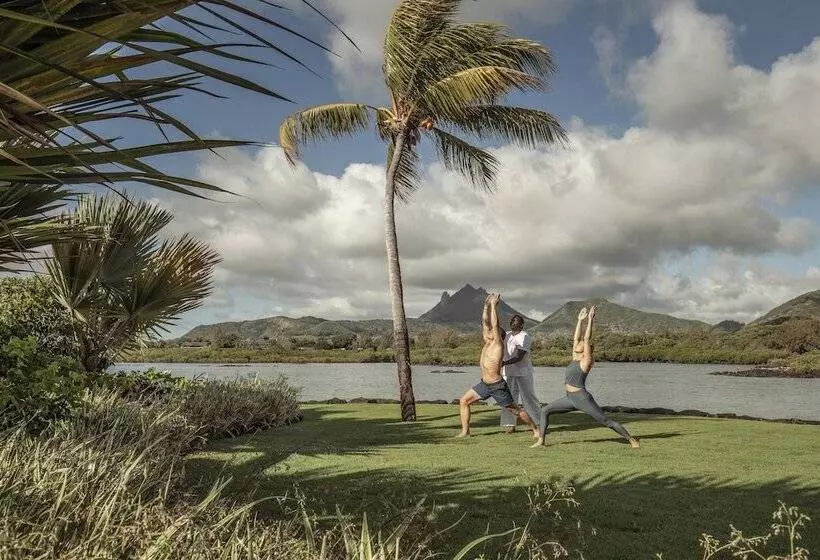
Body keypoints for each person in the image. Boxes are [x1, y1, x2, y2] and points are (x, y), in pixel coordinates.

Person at [531, 305, 640, 448]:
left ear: (585, 350)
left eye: (582, 343)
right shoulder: (575, 358)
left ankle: (632, 440)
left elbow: (587, 339)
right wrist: (579, 320)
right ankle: (541, 441)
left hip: (582, 398)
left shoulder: (585, 361)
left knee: (605, 421)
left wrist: (590, 320)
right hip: (569, 398)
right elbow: (576, 338)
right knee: (545, 410)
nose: (579, 342)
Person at [456, 293, 538, 438]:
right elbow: (486, 322)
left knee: (515, 410)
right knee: (464, 401)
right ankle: (465, 431)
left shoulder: (497, 344)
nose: (487, 332)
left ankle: (536, 429)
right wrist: (486, 306)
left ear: (497, 335)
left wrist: (494, 306)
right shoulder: (488, 342)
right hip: (485, 384)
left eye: (491, 332)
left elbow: (494, 324)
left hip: (497, 385)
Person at [500, 314, 541, 438]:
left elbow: (519, 356)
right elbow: (497, 329)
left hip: (523, 373)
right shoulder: (507, 334)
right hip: (509, 373)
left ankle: (539, 424)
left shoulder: (524, 336)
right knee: (509, 400)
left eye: (516, 321)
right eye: (512, 320)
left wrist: (503, 363)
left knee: (529, 398)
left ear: (522, 324)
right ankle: (509, 426)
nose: (513, 322)